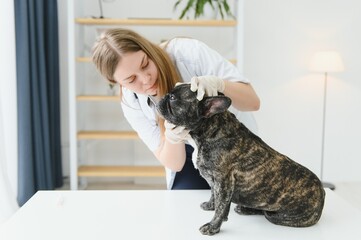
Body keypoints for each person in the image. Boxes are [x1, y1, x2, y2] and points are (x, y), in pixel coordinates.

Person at [91, 28, 260, 190]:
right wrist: (172, 136)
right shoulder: (131, 102)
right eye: (131, 79)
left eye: (145, 64)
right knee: (185, 210)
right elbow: (175, 164)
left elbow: (253, 102)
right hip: (189, 155)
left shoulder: (187, 53)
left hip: (235, 145)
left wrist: (219, 84)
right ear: (117, 83)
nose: (146, 79)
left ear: (148, 49)